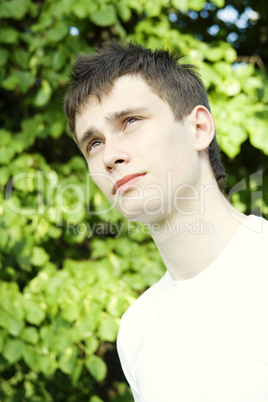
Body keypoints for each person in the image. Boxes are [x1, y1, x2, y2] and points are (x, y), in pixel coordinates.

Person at [64, 40, 268, 401]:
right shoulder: (136, 330)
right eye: (93, 143)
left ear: (199, 128)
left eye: (130, 121)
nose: (110, 155)